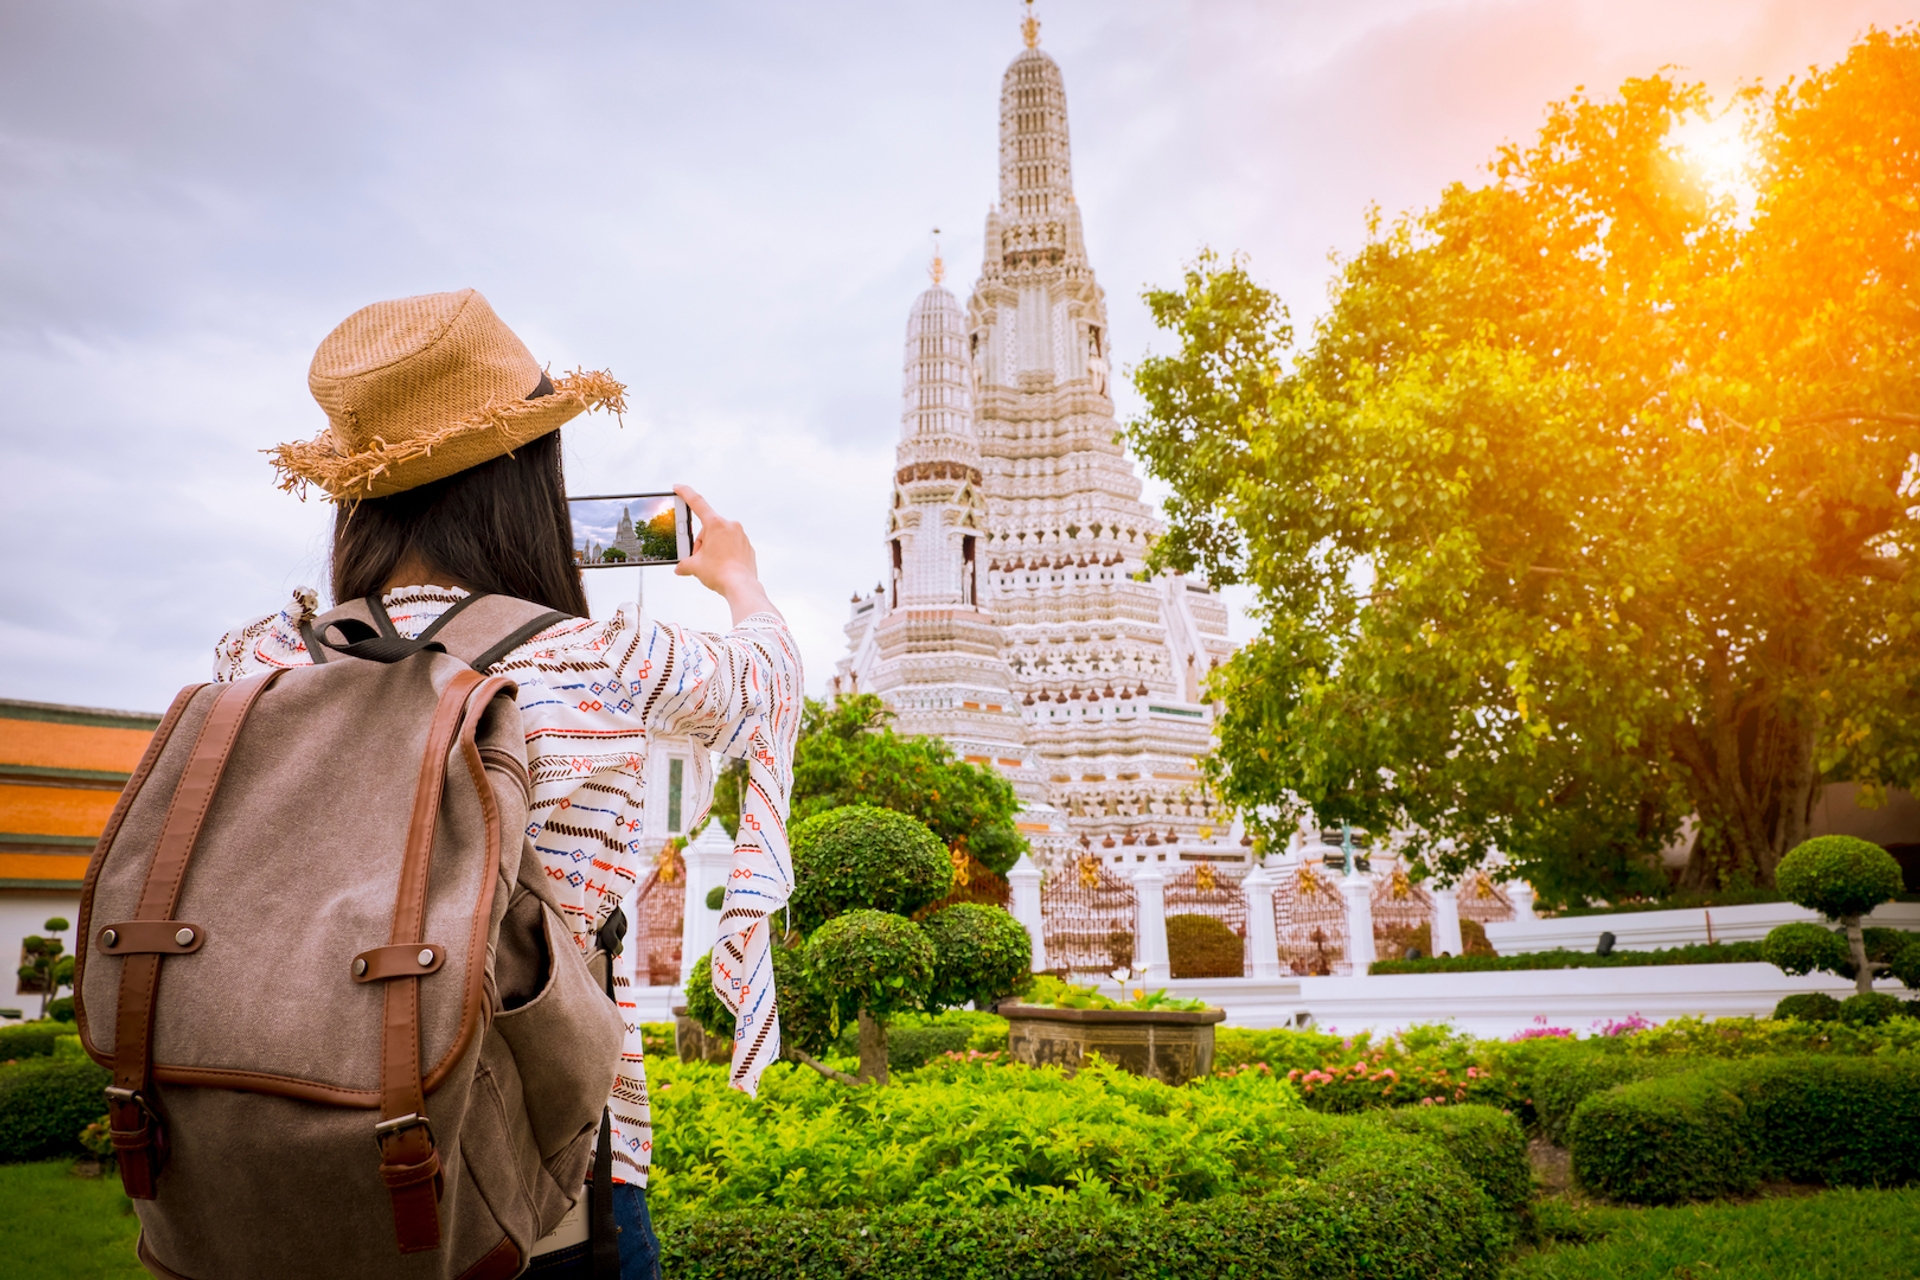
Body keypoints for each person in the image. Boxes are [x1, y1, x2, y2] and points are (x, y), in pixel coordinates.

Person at [216, 288, 802, 1278]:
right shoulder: (600, 658)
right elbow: (771, 679)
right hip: (543, 1174)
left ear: (357, 494)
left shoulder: (263, 659)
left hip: (287, 1134)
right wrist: (736, 573)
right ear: (532, 480)